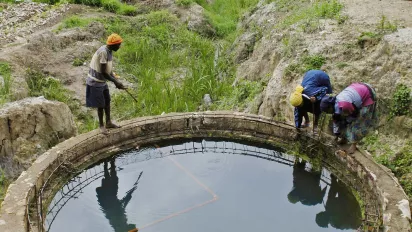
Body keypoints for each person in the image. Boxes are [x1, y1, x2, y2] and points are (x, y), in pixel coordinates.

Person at [86, 33, 127, 135]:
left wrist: (116, 81)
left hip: (102, 81)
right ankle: (101, 126)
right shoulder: (104, 52)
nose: (119, 46)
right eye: (118, 44)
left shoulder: (109, 51)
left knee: (107, 101)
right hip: (95, 81)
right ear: (113, 45)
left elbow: (108, 70)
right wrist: (115, 81)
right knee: (100, 104)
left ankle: (108, 122)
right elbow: (104, 72)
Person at [320, 82, 377, 154]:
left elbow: (354, 115)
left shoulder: (344, 105)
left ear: (330, 107)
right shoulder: (336, 104)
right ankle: (344, 139)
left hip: (368, 93)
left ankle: (354, 144)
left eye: (327, 111)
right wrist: (336, 135)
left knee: (358, 122)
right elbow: (336, 120)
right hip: (358, 89)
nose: (328, 113)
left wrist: (347, 121)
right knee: (343, 120)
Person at [96, 159, 141, 232]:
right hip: (111, 199)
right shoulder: (122, 222)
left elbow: (119, 209)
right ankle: (111, 162)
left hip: (108, 200)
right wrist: (128, 197)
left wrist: (127, 198)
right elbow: (121, 207)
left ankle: (107, 163)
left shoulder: (119, 225)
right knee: (113, 180)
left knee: (110, 180)